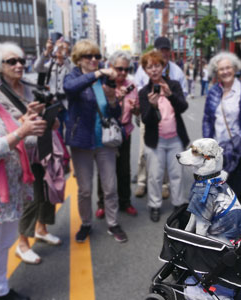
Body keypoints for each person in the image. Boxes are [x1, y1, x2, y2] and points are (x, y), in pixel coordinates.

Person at [0, 53, 46, 300]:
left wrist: (28, 122)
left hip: (8, 195)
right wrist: (21, 132)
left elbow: (13, 137)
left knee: (2, 247)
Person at [0, 42, 63, 265]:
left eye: (21, 60)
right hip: (19, 151)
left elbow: (47, 115)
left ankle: (41, 228)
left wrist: (52, 116)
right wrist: (24, 119)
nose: (19, 65)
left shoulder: (31, 85)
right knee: (29, 197)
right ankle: (23, 244)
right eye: (12, 61)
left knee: (48, 188)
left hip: (43, 144)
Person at [63, 39, 128, 243]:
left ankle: (112, 222)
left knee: (110, 186)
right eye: (88, 56)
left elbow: (114, 112)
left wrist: (113, 99)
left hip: (104, 140)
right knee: (85, 189)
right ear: (78, 59)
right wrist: (98, 73)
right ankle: (86, 223)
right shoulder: (75, 76)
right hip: (81, 140)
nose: (93, 60)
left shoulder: (105, 80)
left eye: (97, 57)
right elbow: (70, 88)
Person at [202, 52, 241, 205]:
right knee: (217, 193)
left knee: (235, 193)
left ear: (235, 68)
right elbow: (207, 120)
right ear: (216, 72)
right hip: (217, 151)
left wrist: (236, 143)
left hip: (237, 150)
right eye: (221, 69)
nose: (225, 72)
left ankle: (237, 225)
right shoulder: (213, 92)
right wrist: (207, 144)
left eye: (228, 68)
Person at [139, 50, 189, 222]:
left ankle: (179, 205)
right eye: (149, 67)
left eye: (157, 66)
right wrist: (152, 106)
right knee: (155, 176)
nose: (154, 70)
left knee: (177, 175)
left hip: (175, 139)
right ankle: (154, 205)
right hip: (155, 141)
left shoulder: (173, 85)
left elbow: (183, 107)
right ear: (145, 70)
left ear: (163, 67)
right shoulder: (144, 92)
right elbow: (145, 119)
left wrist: (170, 96)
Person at [95, 50, 139, 218]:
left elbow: (137, 110)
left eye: (126, 69)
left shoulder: (132, 85)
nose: (122, 73)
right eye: (119, 68)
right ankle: (102, 203)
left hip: (124, 132)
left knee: (124, 169)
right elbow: (99, 108)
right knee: (104, 170)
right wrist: (113, 98)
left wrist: (135, 109)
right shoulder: (102, 83)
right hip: (105, 132)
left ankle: (125, 201)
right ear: (111, 66)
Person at [33, 37, 73, 139]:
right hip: (53, 103)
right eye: (58, 48)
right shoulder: (51, 64)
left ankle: (71, 153)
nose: (60, 50)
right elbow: (37, 68)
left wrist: (63, 55)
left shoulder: (70, 64)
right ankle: (61, 154)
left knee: (71, 131)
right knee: (56, 133)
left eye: (63, 48)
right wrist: (47, 51)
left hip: (68, 104)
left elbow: (73, 72)